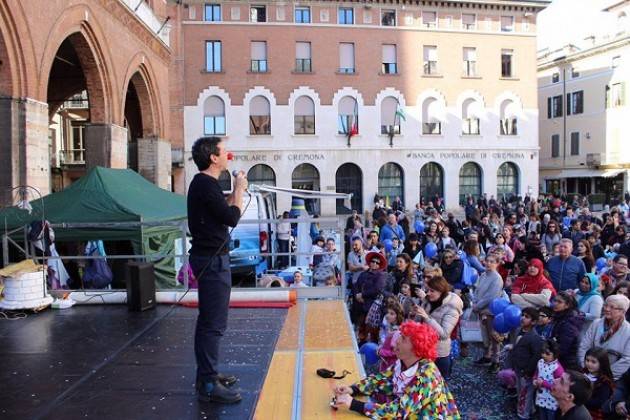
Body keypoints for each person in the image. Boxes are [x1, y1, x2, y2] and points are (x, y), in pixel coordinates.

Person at [187, 136, 246, 403]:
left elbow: (224, 212)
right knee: (213, 324)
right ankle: (209, 384)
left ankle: (207, 375)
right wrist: (240, 189)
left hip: (209, 258)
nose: (227, 155)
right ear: (213, 157)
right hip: (212, 261)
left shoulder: (205, 185)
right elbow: (233, 217)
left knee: (207, 322)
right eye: (224, 151)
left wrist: (235, 189)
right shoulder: (206, 185)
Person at [332, 321, 461, 418]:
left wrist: (354, 404)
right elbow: (382, 379)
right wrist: (354, 389)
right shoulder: (403, 363)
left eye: (403, 339)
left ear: (417, 348)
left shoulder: (427, 377)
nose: (396, 341)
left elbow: (399, 411)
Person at [413, 276, 463, 380]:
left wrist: (427, 317)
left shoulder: (452, 308)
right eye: (428, 290)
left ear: (441, 291)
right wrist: (415, 315)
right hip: (423, 349)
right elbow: (419, 322)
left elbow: (444, 334)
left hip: (439, 353)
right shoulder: (428, 300)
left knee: (439, 387)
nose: (428, 293)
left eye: (432, 291)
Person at [578, 294, 630, 380]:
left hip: (611, 377)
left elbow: (627, 359)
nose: (607, 309)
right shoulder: (596, 323)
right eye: (605, 305)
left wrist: (605, 375)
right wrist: (586, 366)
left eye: (612, 307)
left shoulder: (628, 331)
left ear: (622, 311)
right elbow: (584, 346)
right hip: (588, 372)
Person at [506, 306, 544, 420]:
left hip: (526, 371)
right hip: (518, 368)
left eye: (527, 317)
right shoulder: (518, 330)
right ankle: (528, 409)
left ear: (533, 322)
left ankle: (524, 414)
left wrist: (528, 371)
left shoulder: (535, 337)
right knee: (520, 391)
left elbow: (536, 356)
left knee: (526, 394)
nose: (522, 318)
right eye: (522, 315)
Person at [472, 254, 504, 373]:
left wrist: (478, 305)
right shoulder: (484, 275)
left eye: (492, 262)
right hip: (480, 309)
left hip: (491, 311)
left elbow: (491, 296)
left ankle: (496, 361)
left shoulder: (497, 278)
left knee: (493, 335)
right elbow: (477, 290)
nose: (489, 263)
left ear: (497, 264)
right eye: (487, 261)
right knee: (484, 334)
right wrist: (475, 302)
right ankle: (487, 356)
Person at [551, 291, 585, 370]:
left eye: (559, 302)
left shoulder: (569, 322)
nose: (555, 304)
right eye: (555, 300)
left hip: (566, 363)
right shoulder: (560, 316)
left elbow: (563, 347)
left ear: (567, 305)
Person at [533, 339, 565, 420]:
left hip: (551, 400)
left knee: (550, 417)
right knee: (542, 415)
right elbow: (537, 373)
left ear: (555, 354)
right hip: (541, 396)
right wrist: (534, 379)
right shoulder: (540, 362)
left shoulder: (557, 368)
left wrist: (544, 383)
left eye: (547, 354)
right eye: (542, 352)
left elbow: (560, 388)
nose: (544, 355)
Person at [582, 347, 614, 420]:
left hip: (593, 415)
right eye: (587, 360)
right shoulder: (582, 373)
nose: (589, 364)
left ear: (602, 363)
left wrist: (580, 399)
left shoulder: (605, 382)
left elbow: (598, 403)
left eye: (593, 362)